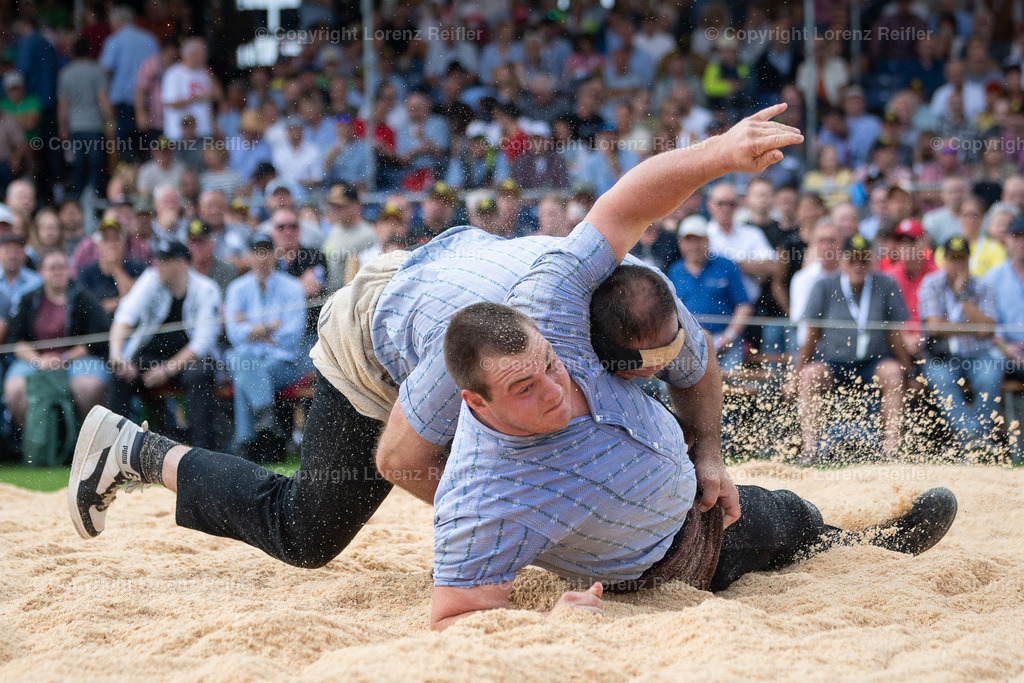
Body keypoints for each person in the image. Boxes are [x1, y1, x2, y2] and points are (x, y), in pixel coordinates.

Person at [67, 105, 950, 594]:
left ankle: (840, 538)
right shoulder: (516, 347)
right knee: (307, 530)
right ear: (592, 349)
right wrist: (517, 517)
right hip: (380, 332)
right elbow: (403, 457)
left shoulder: (620, 290)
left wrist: (721, 152)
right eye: (633, 375)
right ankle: (136, 449)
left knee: (682, 461)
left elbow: (634, 213)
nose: (658, 376)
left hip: (473, 278)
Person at [428, 114, 954, 629]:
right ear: (476, 403)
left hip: (675, 467)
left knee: (770, 504)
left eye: (548, 363)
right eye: (524, 388)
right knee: (785, 518)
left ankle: (832, 532)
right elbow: (452, 620)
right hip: (668, 562)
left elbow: (622, 205)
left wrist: (717, 155)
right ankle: (869, 546)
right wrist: (551, 624)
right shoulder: (480, 494)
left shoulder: (547, 301)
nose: (554, 388)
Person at [794, 234, 913, 460]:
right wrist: (797, 374)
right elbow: (812, 335)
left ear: (872, 261)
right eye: (853, 260)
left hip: (873, 362)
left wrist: (910, 373)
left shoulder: (886, 284)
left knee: (894, 373)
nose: (859, 265)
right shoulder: (824, 286)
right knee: (810, 376)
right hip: (833, 362)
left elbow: (895, 334)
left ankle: (891, 450)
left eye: (864, 260)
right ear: (842, 260)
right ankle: (810, 449)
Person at [107, 240, 221, 450]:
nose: (157, 264)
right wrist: (117, 358)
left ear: (181, 263)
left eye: (163, 260)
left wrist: (166, 371)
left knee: (199, 374)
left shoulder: (207, 289)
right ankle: (116, 449)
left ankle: (203, 450)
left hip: (189, 363)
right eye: (157, 259)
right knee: (119, 376)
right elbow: (124, 316)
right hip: (151, 358)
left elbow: (203, 342)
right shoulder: (150, 279)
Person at [225, 233, 311, 459]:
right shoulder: (237, 288)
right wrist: (270, 328)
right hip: (252, 358)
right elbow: (234, 334)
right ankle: (265, 416)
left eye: (266, 251)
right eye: (256, 252)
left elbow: (293, 335)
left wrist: (252, 330)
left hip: (284, 363)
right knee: (242, 358)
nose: (262, 257)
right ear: (248, 257)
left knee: (243, 370)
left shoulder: (293, 287)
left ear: (275, 255)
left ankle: (245, 443)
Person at [3, 249, 110, 426]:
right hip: (35, 361)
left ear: (69, 270)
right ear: (41, 272)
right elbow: (15, 341)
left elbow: (98, 338)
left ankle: (82, 436)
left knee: (89, 387)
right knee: (14, 389)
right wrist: (39, 360)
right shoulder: (29, 300)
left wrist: (65, 358)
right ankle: (37, 439)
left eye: (62, 267)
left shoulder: (84, 298)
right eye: (52, 268)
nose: (57, 272)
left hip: (77, 360)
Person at [918, 236, 1001, 445]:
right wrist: (972, 327)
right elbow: (935, 328)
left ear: (969, 260)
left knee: (991, 375)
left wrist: (962, 296)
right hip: (942, 356)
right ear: (944, 260)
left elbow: (987, 330)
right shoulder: (931, 283)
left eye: (961, 259)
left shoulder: (983, 285)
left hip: (977, 354)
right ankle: (973, 436)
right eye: (953, 259)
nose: (957, 264)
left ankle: (978, 442)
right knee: (940, 378)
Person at [667, 215, 751, 369]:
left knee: (731, 385)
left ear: (707, 241)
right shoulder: (675, 271)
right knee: (674, 386)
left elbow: (744, 305)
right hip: (687, 344)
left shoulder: (726, 266)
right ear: (680, 243)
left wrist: (728, 337)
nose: (694, 246)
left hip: (724, 341)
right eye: (688, 240)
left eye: (698, 240)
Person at [57, 38, 113, 199]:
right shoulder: (97, 71)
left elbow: (63, 105)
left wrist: (62, 127)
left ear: (73, 52)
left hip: (75, 126)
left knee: (78, 164)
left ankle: (78, 196)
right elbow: (103, 100)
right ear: (90, 51)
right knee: (95, 164)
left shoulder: (66, 73)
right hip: (94, 125)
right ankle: (92, 195)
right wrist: (110, 121)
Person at [76, 216, 146, 315]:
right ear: (98, 244)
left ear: (123, 242)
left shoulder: (138, 268)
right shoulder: (86, 273)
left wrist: (116, 269)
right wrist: (119, 302)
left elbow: (137, 302)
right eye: (106, 239)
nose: (111, 244)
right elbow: (85, 309)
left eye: (116, 238)